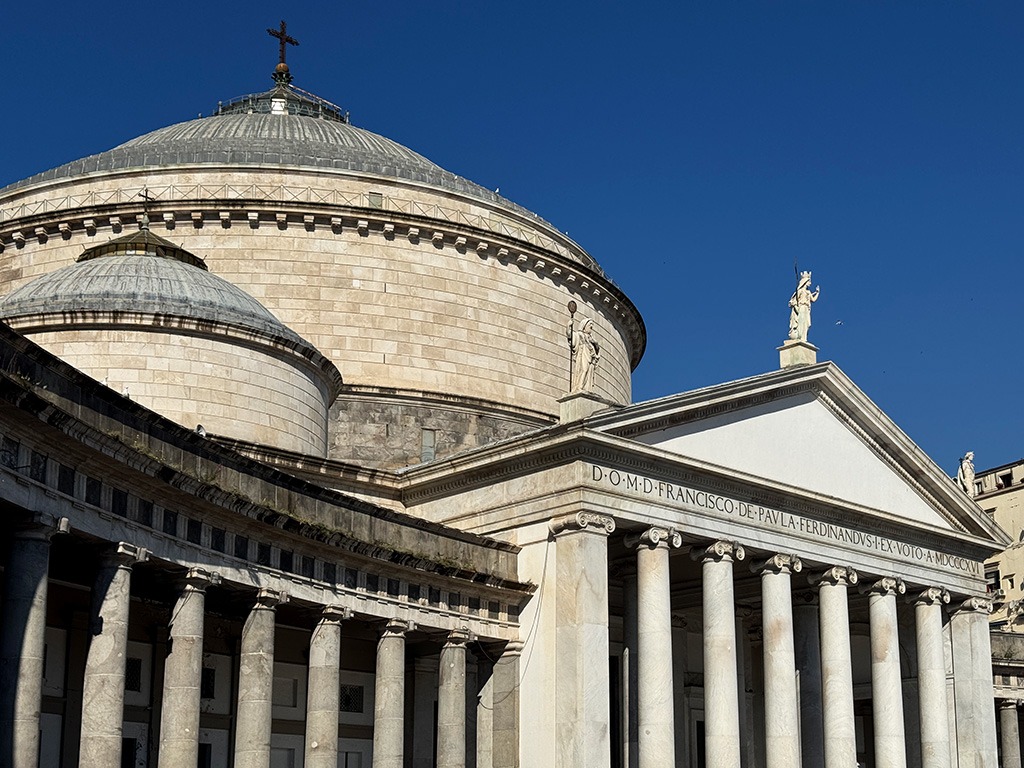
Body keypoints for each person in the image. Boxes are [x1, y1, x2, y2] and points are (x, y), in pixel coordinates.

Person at [566, 316, 600, 392]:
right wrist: (568, 326)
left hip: (590, 357)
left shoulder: (591, 339)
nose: (591, 327)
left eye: (592, 325)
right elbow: (570, 335)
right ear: (584, 326)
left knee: (588, 372)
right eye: (589, 325)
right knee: (584, 369)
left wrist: (596, 346)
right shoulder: (579, 335)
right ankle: (579, 387)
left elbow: (596, 350)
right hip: (583, 354)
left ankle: (586, 388)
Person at [788, 271, 820, 342]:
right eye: (809, 281)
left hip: (806, 309)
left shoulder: (808, 292)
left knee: (807, 324)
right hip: (801, 308)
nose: (810, 283)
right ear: (805, 281)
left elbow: (813, 300)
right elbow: (793, 301)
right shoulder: (800, 291)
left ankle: (804, 338)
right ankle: (800, 337)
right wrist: (795, 305)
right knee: (801, 322)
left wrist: (817, 293)